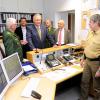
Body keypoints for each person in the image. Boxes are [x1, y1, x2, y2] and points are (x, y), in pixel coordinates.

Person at [79, 14, 100, 100]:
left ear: (97, 23)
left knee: (96, 86)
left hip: (96, 63)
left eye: (90, 23)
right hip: (87, 61)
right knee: (84, 81)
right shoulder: (90, 32)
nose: (89, 24)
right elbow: (86, 47)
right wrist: (82, 58)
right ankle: (83, 98)